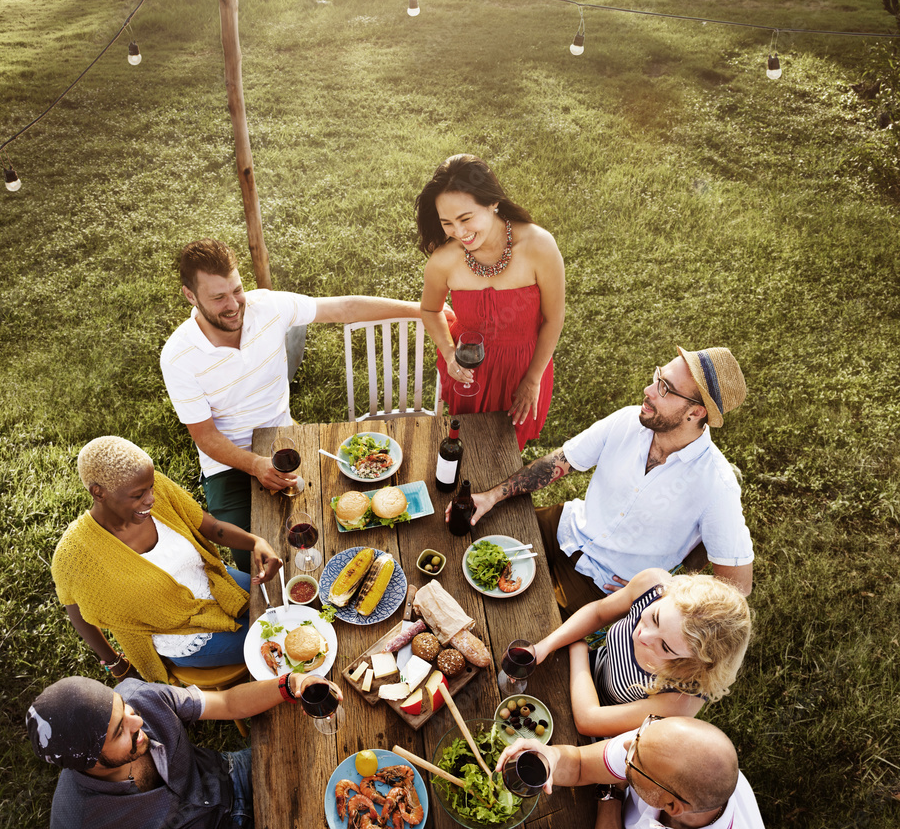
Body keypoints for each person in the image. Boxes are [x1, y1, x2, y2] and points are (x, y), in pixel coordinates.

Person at [160, 238, 426, 565]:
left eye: (237, 290)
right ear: (191, 295)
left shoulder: (268, 307)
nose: (233, 305)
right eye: (218, 298)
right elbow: (206, 437)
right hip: (226, 467)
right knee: (258, 558)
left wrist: (423, 310)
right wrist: (256, 465)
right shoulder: (178, 356)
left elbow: (345, 308)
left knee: (329, 524)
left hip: (281, 439)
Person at [449, 346, 753, 611]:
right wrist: (491, 496)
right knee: (466, 543)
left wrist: (670, 590)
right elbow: (560, 462)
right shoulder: (627, 420)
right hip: (566, 527)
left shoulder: (716, 485)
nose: (648, 390)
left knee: (513, 620)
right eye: (657, 376)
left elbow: (737, 587)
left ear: (695, 412)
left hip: (602, 585)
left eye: (664, 388)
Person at [52, 436, 281, 684]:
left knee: (291, 606)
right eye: (139, 494)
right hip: (182, 632)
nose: (151, 498)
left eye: (150, 487)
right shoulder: (75, 554)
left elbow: (211, 527)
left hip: (215, 582)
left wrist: (255, 542)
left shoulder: (153, 487)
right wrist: (116, 664)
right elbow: (76, 611)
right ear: (99, 492)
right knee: (280, 641)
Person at [27, 671, 342, 829]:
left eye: (124, 710)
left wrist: (290, 683)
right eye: (120, 730)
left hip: (232, 775)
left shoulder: (139, 696)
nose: (137, 721)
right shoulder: (78, 819)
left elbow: (229, 703)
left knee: (336, 765)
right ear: (88, 760)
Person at [415, 154, 565, 449]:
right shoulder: (443, 260)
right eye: (447, 223)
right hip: (469, 369)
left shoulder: (539, 246)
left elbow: (553, 318)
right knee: (466, 444)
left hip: (523, 369)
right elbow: (430, 310)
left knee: (507, 449)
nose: (459, 233)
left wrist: (532, 380)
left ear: (493, 202)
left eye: (466, 218)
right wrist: (448, 354)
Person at [533, 569, 750, 738]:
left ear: (695, 661)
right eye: (655, 618)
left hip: (590, 730)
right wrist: (544, 646)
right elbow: (599, 613)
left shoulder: (683, 697)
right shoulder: (653, 587)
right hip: (574, 670)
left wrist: (578, 649)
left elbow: (589, 721)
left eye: (665, 647)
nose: (643, 636)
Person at [496, 714, 765, 828]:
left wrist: (611, 796)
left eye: (636, 762)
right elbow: (578, 765)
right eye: (644, 730)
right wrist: (550, 755)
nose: (625, 744)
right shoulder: (656, 745)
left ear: (671, 805)